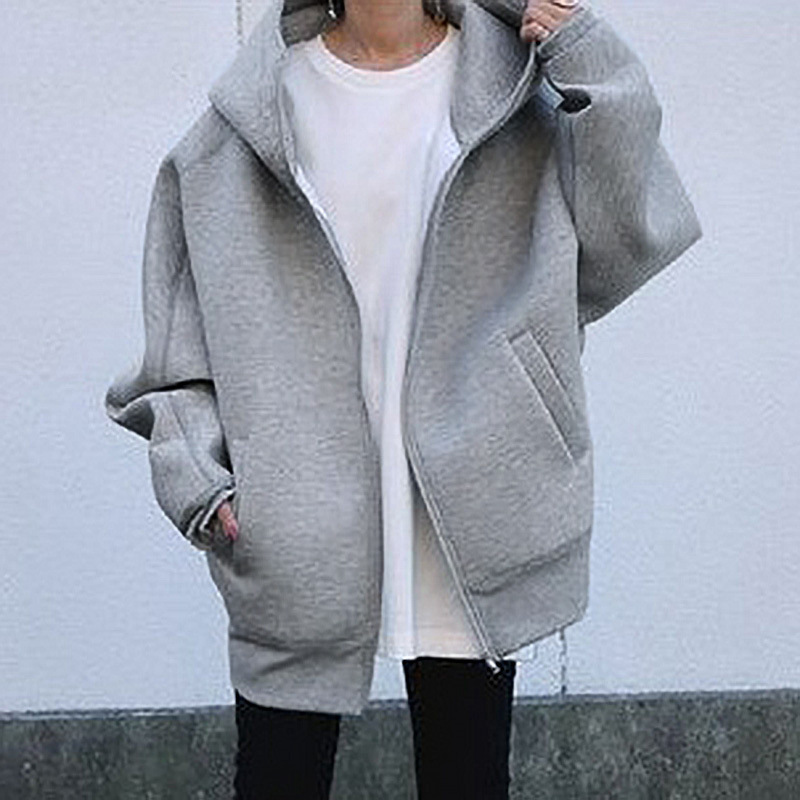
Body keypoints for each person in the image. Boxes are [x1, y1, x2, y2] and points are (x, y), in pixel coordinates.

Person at [104, 0, 702, 797]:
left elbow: (629, 240)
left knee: (467, 779)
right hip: (296, 525)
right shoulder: (240, 129)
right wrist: (199, 483)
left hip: (472, 511)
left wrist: (591, 58)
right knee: (278, 778)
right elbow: (178, 351)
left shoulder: (511, 95)